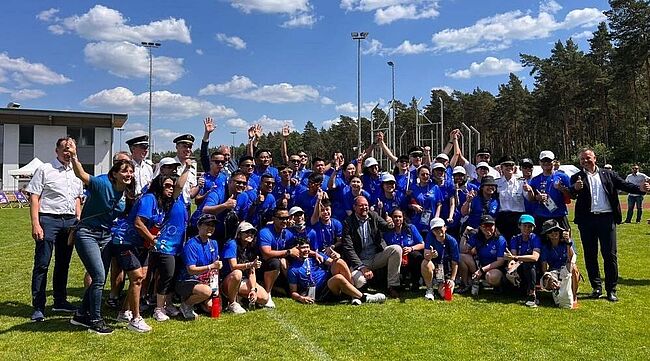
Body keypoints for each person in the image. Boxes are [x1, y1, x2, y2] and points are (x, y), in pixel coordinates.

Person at [67, 142, 135, 335]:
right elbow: (81, 174)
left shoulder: (125, 193)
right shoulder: (102, 183)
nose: (128, 174)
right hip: (87, 233)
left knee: (100, 277)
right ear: (114, 174)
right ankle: (95, 320)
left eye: (130, 171)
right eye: (124, 171)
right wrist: (74, 156)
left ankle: (81, 315)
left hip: (105, 236)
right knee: (98, 277)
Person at [569, 148, 649, 302]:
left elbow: (625, 185)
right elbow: (571, 194)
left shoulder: (609, 174)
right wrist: (575, 188)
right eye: (582, 159)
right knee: (590, 255)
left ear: (595, 158)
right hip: (587, 221)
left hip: (607, 219)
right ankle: (596, 287)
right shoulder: (576, 177)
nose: (585, 161)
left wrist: (640, 189)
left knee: (610, 255)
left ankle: (611, 289)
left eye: (587, 158)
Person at [26, 137, 84, 322]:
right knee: (42, 263)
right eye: (65, 149)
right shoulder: (45, 169)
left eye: (71, 149)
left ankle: (60, 300)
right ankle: (39, 306)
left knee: (63, 263)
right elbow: (34, 197)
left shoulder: (77, 171)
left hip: (69, 222)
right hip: (48, 219)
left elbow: (77, 198)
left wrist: (78, 219)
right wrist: (36, 223)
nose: (68, 152)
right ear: (56, 151)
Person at [148, 163, 192, 321]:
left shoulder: (180, 200)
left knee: (172, 276)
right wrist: (187, 168)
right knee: (167, 276)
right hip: (165, 246)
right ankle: (158, 309)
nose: (173, 188)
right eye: (169, 186)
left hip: (177, 246)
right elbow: (180, 184)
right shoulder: (169, 200)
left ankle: (168, 304)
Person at [288, 238, 386, 305]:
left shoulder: (315, 256)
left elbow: (332, 262)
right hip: (321, 291)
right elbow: (293, 292)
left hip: (327, 279)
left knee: (340, 262)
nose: (306, 250)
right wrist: (301, 298)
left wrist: (336, 257)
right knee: (338, 278)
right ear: (296, 249)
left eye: (307, 247)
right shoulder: (293, 269)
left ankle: (353, 296)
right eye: (303, 248)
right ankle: (364, 298)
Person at [340, 196, 401, 298]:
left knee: (396, 249)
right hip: (360, 260)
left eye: (366, 205)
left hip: (376, 256)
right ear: (354, 207)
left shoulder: (373, 216)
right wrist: (362, 267)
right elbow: (348, 248)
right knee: (359, 281)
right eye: (361, 205)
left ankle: (392, 286)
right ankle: (363, 289)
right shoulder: (348, 222)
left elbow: (386, 227)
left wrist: (391, 224)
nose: (364, 207)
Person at [176, 214, 222, 320]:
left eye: (213, 225)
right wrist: (211, 266)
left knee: (215, 308)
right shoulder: (191, 244)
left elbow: (215, 267)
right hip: (187, 281)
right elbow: (191, 270)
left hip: (206, 281)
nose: (211, 228)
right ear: (199, 226)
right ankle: (185, 305)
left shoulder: (214, 243)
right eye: (207, 224)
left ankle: (198, 303)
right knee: (206, 291)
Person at [221, 222, 270, 313]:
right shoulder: (232, 244)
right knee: (237, 273)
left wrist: (253, 289)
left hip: (243, 279)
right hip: (227, 279)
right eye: (247, 232)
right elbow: (233, 267)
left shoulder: (250, 248)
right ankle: (232, 302)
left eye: (252, 232)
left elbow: (252, 272)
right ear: (239, 234)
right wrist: (250, 264)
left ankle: (242, 297)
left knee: (264, 298)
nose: (250, 234)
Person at [258, 207, 297, 308]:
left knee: (286, 260)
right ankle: (267, 293)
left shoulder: (287, 232)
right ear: (274, 219)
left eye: (286, 218)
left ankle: (292, 289)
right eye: (281, 218)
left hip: (278, 267)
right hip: (261, 266)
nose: (284, 221)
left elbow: (297, 246)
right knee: (276, 262)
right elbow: (266, 254)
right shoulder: (265, 232)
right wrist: (288, 252)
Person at [459, 215, 506, 295]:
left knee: (492, 277)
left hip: (494, 268)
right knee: (461, 257)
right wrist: (464, 234)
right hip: (479, 266)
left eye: (491, 225)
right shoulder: (477, 236)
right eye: (485, 226)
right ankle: (466, 284)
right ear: (480, 227)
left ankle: (498, 286)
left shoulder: (500, 240)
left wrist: (482, 270)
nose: (488, 228)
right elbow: (463, 250)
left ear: (495, 226)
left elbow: (500, 261)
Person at [539, 219, 580, 308]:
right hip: (554, 271)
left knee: (574, 268)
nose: (554, 233)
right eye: (550, 231)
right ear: (547, 234)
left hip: (566, 269)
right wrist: (548, 277)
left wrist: (568, 243)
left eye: (556, 230)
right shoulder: (545, 247)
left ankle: (574, 296)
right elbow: (544, 266)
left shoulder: (567, 242)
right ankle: (557, 293)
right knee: (550, 279)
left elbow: (572, 258)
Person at [528, 151, 572, 232]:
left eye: (548, 161)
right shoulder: (535, 180)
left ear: (554, 162)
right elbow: (531, 199)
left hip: (559, 216)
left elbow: (571, 195)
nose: (546, 163)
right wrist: (537, 197)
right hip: (541, 217)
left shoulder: (563, 177)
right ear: (539, 162)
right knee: (541, 243)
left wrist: (561, 188)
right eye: (543, 161)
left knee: (564, 242)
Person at [503, 214, 541, 307]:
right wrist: (511, 261)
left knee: (529, 265)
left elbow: (535, 257)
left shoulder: (535, 238)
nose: (527, 228)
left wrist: (516, 258)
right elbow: (513, 256)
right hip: (519, 267)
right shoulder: (514, 239)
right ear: (519, 226)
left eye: (530, 226)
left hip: (534, 268)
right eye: (525, 225)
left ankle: (532, 294)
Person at [382, 208, 424, 291]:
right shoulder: (387, 231)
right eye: (395, 217)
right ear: (391, 218)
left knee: (417, 256)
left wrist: (411, 248)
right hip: (395, 259)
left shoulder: (411, 228)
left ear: (403, 218)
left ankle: (416, 282)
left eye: (400, 217)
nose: (398, 219)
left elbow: (422, 244)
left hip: (409, 256)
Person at [423, 218, 460, 300]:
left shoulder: (452, 241)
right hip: (435, 267)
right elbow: (426, 255)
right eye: (435, 229)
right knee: (425, 263)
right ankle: (429, 289)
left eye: (440, 227)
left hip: (447, 269)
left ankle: (444, 285)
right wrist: (431, 255)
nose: (438, 230)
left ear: (445, 228)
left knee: (444, 294)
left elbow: (455, 262)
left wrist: (452, 279)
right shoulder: (430, 237)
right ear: (432, 231)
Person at [495, 156, 531, 241]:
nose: (509, 167)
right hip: (502, 217)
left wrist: (529, 191)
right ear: (501, 167)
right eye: (506, 165)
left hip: (517, 217)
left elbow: (529, 199)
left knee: (517, 242)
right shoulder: (496, 182)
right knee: (502, 242)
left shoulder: (521, 182)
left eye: (511, 165)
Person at [408, 165, 443, 236]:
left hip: (431, 221)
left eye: (427, 174)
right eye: (423, 174)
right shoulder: (413, 188)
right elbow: (408, 204)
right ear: (418, 175)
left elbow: (439, 204)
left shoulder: (435, 187)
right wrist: (413, 206)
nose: (425, 176)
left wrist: (436, 218)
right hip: (417, 221)